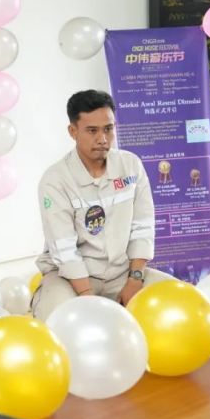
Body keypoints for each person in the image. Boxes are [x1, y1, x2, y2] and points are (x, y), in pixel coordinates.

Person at [32, 89, 175, 320]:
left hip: (124, 274)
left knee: (179, 300)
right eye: (92, 131)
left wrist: (135, 279)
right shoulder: (55, 180)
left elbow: (142, 227)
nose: (103, 139)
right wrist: (88, 299)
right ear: (73, 131)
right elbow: (64, 249)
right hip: (71, 279)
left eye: (108, 129)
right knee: (59, 317)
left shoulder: (131, 165)